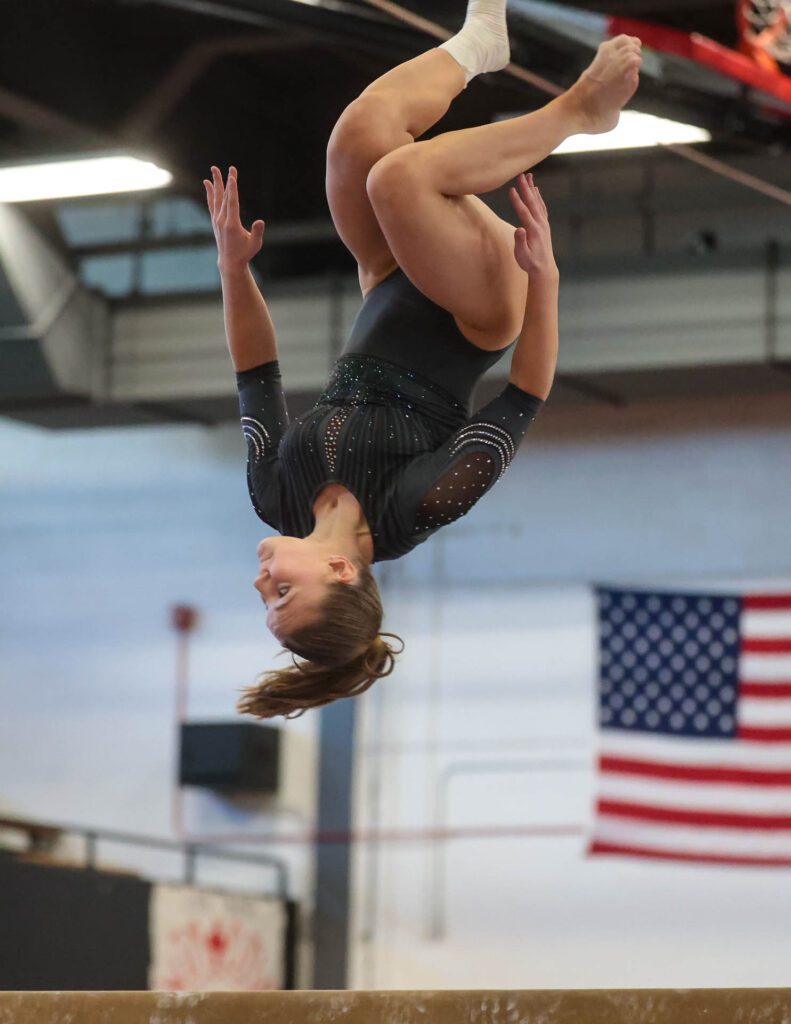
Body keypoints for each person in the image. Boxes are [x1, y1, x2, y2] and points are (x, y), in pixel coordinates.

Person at [204, 1, 642, 718]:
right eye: (284, 594)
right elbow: (520, 399)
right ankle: (578, 112)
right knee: (395, 179)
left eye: (266, 600)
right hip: (479, 309)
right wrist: (544, 284)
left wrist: (232, 269)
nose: (262, 584)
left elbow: (256, 374)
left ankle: (478, 46)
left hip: (389, 280)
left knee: (357, 139)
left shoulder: (273, 496)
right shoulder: (418, 508)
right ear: (342, 571)